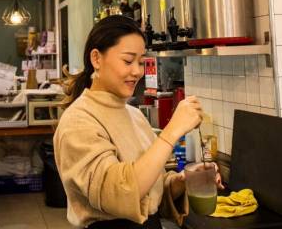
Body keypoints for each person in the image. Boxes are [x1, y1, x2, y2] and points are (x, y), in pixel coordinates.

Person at [54, 15, 218, 229]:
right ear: (96, 59)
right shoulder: (78, 121)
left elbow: (148, 191)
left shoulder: (134, 115)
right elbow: (119, 194)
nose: (138, 71)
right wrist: (172, 131)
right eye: (128, 61)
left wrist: (180, 182)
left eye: (141, 61)